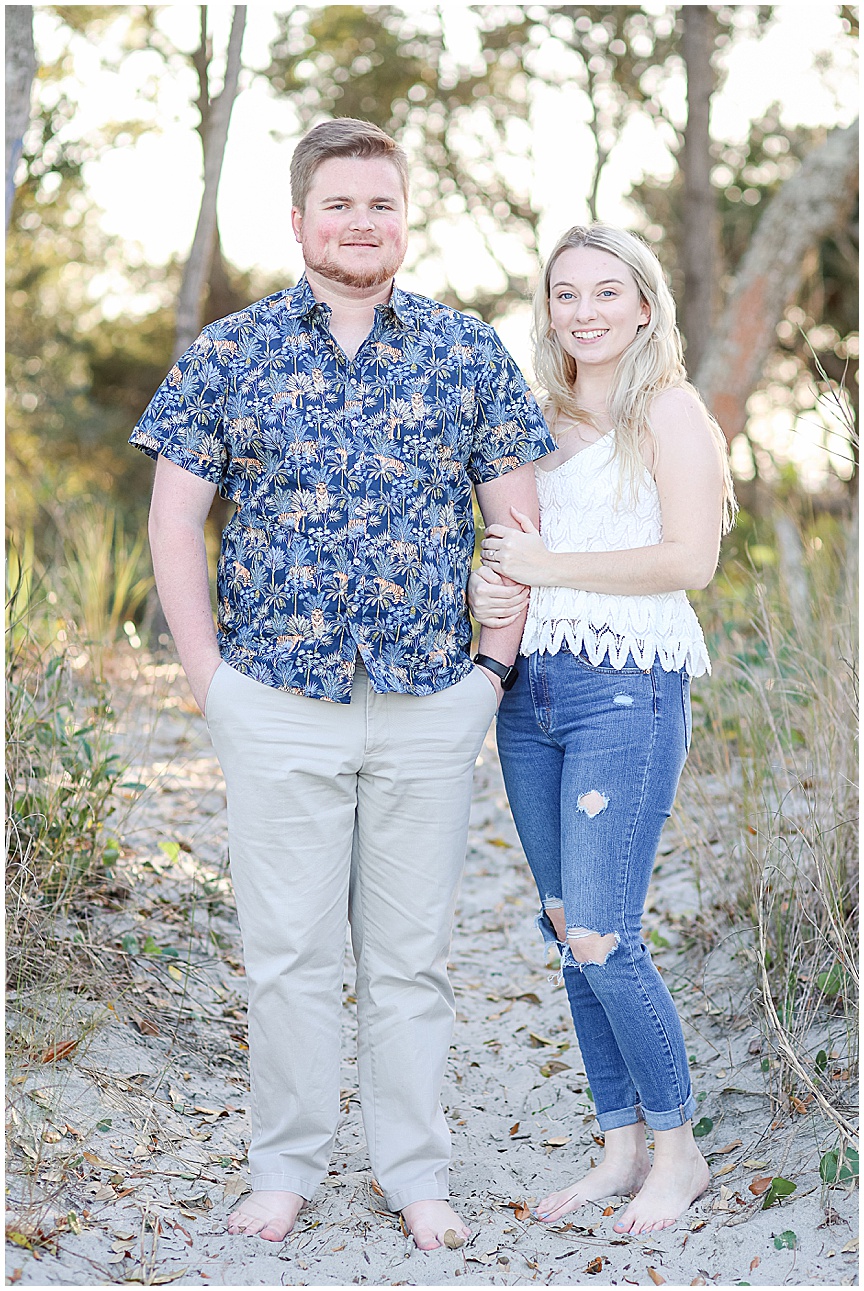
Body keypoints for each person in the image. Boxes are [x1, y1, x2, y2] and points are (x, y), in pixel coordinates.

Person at [130, 118, 555, 1250]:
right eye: (341, 204)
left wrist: (488, 674)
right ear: (299, 220)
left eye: (381, 204)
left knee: (411, 960)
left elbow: (520, 527)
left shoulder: (466, 352)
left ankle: (416, 1172)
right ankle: (284, 1170)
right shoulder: (230, 351)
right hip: (272, 698)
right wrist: (209, 678)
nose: (362, 222)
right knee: (290, 959)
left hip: (430, 702)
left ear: (404, 219)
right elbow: (175, 516)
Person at [469, 224, 736, 1236]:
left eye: (605, 292)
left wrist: (546, 571)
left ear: (643, 305)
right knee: (563, 931)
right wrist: (496, 584)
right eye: (565, 294)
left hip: (628, 686)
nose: (584, 311)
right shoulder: (534, 419)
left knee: (602, 930)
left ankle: (681, 1152)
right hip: (531, 696)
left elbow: (690, 560)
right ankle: (619, 1146)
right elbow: (517, 555)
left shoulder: (666, 410)